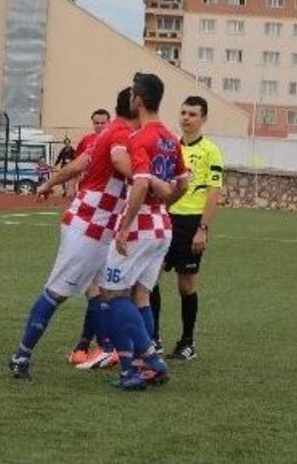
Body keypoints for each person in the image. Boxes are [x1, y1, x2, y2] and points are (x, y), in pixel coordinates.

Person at [9, 89, 139, 380]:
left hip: (100, 226)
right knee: (57, 293)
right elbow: (119, 162)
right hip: (89, 227)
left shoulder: (110, 133)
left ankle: (120, 356)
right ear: (137, 105)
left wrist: (48, 184)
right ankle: (21, 354)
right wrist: (149, 178)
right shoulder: (119, 134)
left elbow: (77, 165)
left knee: (112, 292)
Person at [101, 72, 188, 391]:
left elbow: (139, 183)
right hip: (162, 224)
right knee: (140, 294)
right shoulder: (168, 137)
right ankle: (138, 367)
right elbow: (183, 182)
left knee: (112, 294)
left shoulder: (140, 138)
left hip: (139, 225)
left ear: (138, 99)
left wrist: (124, 228)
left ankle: (149, 360)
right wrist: (165, 200)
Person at [150, 95, 224, 360]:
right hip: (166, 217)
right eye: (183, 113)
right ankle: (153, 337)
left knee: (186, 285)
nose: (186, 118)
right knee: (150, 278)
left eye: (192, 114)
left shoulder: (211, 150)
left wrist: (202, 228)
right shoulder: (170, 146)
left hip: (191, 221)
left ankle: (187, 342)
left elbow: (214, 192)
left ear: (203, 119)